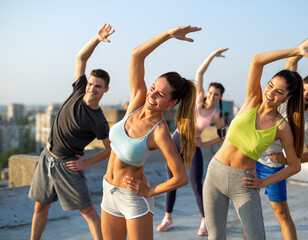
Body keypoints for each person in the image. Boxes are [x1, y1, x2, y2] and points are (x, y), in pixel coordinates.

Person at [203, 40, 308, 239]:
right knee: (215, 237)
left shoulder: (282, 127)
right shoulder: (253, 99)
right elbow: (257, 61)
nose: (270, 93)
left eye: (279, 92)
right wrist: (297, 50)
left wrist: (263, 183)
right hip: (214, 174)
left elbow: (294, 166)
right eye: (270, 86)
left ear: (287, 97)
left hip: (243, 181)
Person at [100, 25, 201, 240]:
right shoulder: (137, 102)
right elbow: (137, 55)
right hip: (108, 190)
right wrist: (167, 35)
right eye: (153, 87)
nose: (152, 95)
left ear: (172, 102)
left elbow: (181, 177)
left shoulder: (159, 132)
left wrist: (149, 191)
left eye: (160, 94)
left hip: (133, 199)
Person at [28, 24, 115, 240]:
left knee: (87, 212)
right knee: (40, 207)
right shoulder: (78, 89)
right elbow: (80, 58)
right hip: (47, 157)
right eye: (91, 83)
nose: (92, 88)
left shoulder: (99, 121)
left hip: (68, 166)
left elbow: (110, 150)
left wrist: (85, 163)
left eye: (98, 86)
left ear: (106, 90)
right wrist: (96, 39)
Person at [255, 25, 308, 240]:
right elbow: (293, 59)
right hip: (248, 158)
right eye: (303, 90)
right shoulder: (284, 96)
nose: (305, 95)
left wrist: (286, 159)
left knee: (281, 213)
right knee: (250, 212)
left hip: (272, 168)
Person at [157, 48, 228, 236]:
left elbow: (223, 136)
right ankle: (168, 217)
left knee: (197, 184)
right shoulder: (197, 98)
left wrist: (204, 144)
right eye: (211, 92)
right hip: (177, 139)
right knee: (171, 179)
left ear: (220, 97)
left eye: (217, 95)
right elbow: (199, 73)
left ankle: (205, 220)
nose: (212, 96)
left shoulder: (216, 115)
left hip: (194, 145)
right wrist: (212, 55)